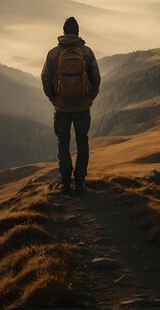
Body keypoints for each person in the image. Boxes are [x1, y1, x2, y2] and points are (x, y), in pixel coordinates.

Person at [41, 16, 101, 193]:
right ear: (77, 32)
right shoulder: (86, 52)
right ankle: (80, 182)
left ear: (64, 32)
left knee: (63, 143)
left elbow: (45, 78)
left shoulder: (53, 53)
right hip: (82, 107)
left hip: (61, 108)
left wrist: (53, 97)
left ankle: (65, 183)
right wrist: (90, 97)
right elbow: (96, 78)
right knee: (82, 142)